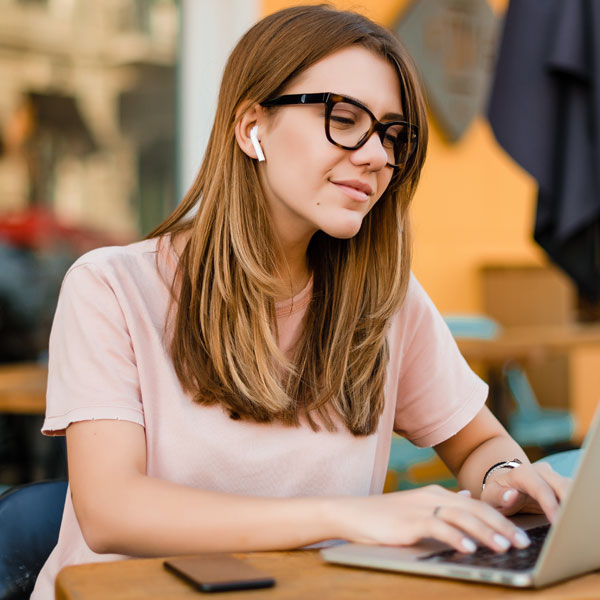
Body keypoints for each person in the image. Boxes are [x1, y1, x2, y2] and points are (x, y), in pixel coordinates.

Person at [31, 5, 569, 598]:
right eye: (344, 118)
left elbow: (482, 444)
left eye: (393, 135)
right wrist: (346, 517)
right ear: (251, 127)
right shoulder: (110, 286)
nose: (377, 156)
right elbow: (112, 512)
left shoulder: (385, 301)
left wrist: (506, 479)